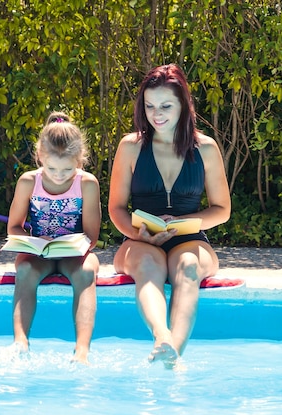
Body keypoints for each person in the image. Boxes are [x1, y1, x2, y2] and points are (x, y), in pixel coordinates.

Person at [108, 64, 231, 366]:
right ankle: (162, 337)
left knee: (188, 267)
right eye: (149, 106)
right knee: (149, 264)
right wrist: (138, 234)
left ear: (183, 105)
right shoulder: (131, 147)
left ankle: (173, 352)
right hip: (140, 240)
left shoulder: (205, 148)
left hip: (189, 239)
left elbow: (222, 209)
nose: (156, 114)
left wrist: (186, 224)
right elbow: (116, 208)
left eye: (165, 106)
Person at [7, 111, 101, 364]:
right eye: (51, 168)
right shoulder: (28, 182)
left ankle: (81, 351)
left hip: (74, 252)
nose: (59, 175)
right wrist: (34, 243)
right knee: (25, 271)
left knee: (87, 273)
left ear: (80, 161)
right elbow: (14, 227)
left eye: (67, 169)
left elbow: (92, 235)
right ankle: (20, 342)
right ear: (39, 157)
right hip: (39, 252)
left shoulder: (87, 183)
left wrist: (75, 245)